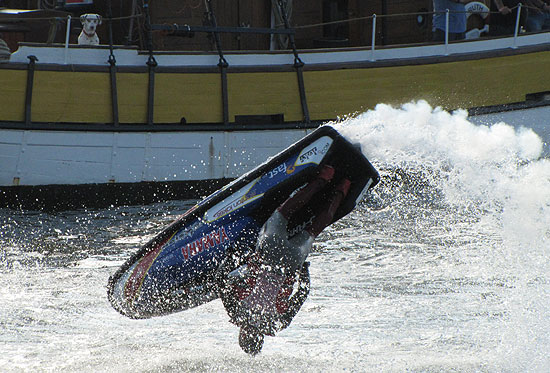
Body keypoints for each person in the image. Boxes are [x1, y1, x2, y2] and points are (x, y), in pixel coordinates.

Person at [219, 165, 351, 354]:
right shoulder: (236, 313)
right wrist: (233, 257)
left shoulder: (277, 325)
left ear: (261, 338)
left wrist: (303, 270)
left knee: (314, 229)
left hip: (293, 261)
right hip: (269, 251)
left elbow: (302, 294)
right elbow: (221, 280)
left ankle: (343, 187)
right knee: (283, 213)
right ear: (242, 333)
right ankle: (323, 178)